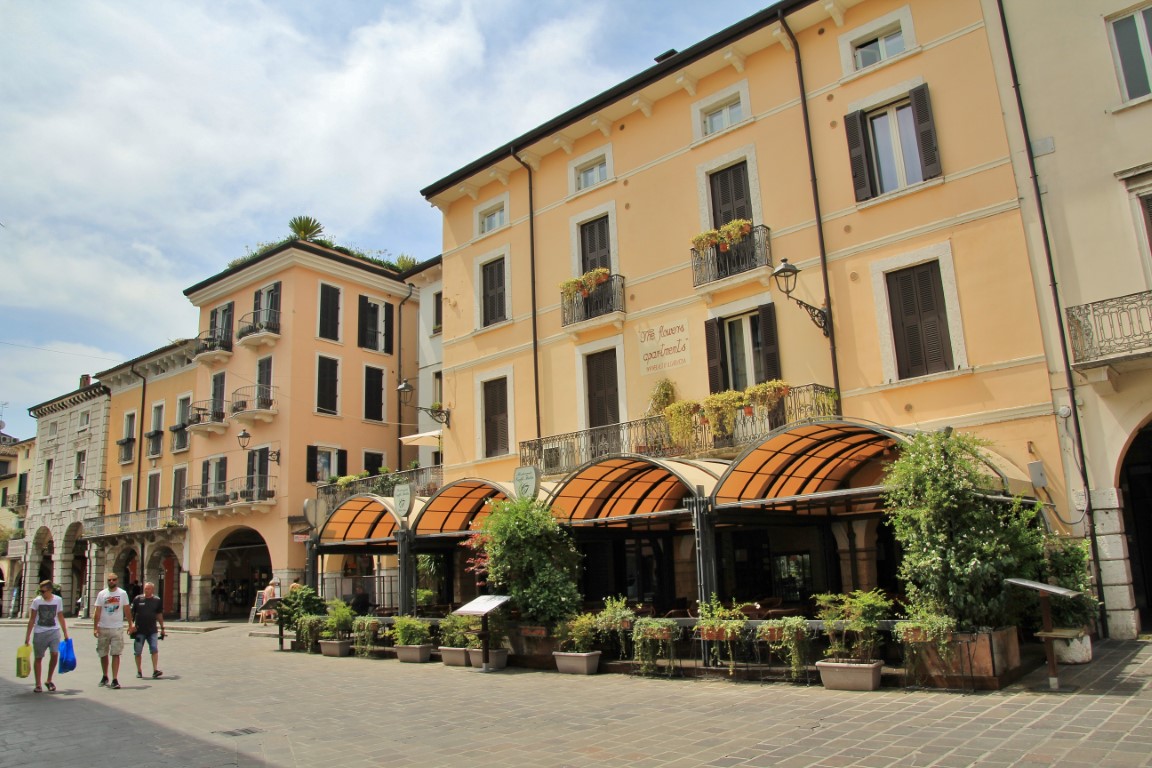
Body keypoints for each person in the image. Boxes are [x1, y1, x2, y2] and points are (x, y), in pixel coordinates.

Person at [24, 580, 68, 693]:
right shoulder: (36, 601)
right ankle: (38, 684)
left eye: (43, 591)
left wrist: (65, 633)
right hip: (40, 632)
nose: (42, 594)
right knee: (38, 658)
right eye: (40, 591)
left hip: (54, 631)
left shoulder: (58, 600)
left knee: (55, 654)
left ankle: (49, 680)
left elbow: (60, 616)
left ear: (50, 590)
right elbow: (32, 619)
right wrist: (27, 636)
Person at [92, 572, 133, 690]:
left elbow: (127, 610)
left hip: (117, 628)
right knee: (103, 653)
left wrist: (130, 624)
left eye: (114, 579)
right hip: (103, 627)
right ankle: (105, 675)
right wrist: (95, 627)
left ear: (117, 580)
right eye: (109, 580)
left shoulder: (122, 593)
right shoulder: (102, 594)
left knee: (116, 653)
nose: (111, 582)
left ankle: (115, 679)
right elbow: (97, 611)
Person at [131, 581, 165, 679]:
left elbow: (159, 614)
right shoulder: (138, 599)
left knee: (154, 649)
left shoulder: (157, 600)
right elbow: (132, 613)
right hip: (139, 630)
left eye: (148, 589)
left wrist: (162, 628)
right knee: (138, 651)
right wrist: (131, 625)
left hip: (152, 630)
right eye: (145, 588)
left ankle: (155, 670)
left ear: (152, 590)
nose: (146, 590)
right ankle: (139, 671)